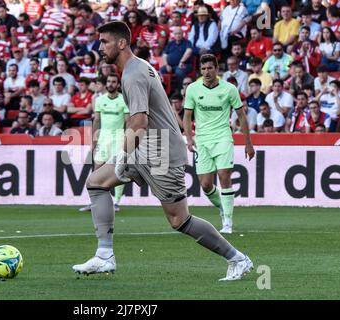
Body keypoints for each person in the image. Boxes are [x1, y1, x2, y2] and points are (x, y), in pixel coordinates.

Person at [72, 21, 253, 282]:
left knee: (179, 220)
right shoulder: (137, 68)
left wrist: (122, 156)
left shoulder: (133, 74)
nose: (99, 47)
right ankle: (104, 256)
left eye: (104, 42)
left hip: (162, 153)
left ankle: (238, 258)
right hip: (146, 146)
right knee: (96, 183)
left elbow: (139, 122)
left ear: (121, 43)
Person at [183, 53, 255, 235]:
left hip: (223, 137)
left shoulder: (229, 89)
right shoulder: (193, 89)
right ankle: (223, 207)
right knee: (206, 185)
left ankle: (228, 222)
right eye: (203, 68)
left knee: (224, 176)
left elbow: (241, 116)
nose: (206, 72)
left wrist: (248, 143)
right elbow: (187, 116)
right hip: (202, 140)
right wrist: (189, 138)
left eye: (210, 68)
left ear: (217, 69)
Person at [79, 73, 129, 213]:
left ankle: (117, 202)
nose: (111, 84)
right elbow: (96, 121)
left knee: (118, 170)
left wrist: (129, 139)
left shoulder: (123, 100)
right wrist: (94, 140)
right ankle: (94, 202)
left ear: (118, 84)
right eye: (109, 81)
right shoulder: (100, 100)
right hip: (103, 138)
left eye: (114, 81)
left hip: (119, 137)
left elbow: (128, 121)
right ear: (106, 84)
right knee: (97, 170)